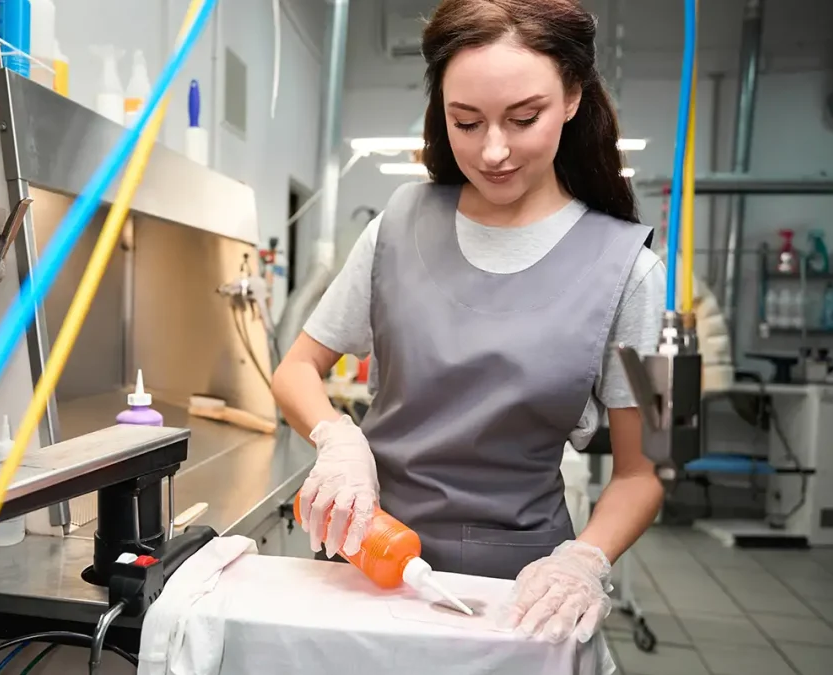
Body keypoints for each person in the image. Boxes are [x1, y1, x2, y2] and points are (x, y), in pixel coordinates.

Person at [272, 0, 667, 646]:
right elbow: (296, 368)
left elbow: (648, 470)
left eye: (524, 118)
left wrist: (585, 560)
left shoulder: (632, 270)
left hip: (521, 598)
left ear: (572, 94)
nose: (493, 150)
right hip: (370, 566)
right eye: (466, 120)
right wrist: (339, 440)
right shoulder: (398, 223)